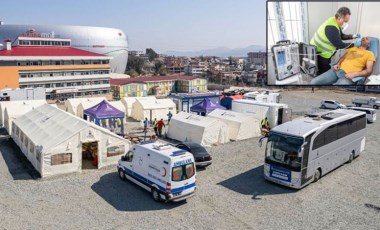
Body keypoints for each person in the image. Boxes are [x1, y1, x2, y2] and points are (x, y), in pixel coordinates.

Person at [310, 7, 361, 75]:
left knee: (324, 70)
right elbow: (340, 45)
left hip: (323, 52)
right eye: (345, 21)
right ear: (339, 18)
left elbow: (341, 36)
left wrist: (353, 36)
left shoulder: (335, 21)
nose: (345, 24)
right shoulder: (331, 27)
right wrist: (354, 44)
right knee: (324, 73)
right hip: (320, 52)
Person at [311, 37, 375, 85]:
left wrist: (355, 74)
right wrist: (338, 64)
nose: (364, 38)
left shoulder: (369, 54)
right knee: (313, 82)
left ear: (368, 45)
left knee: (335, 93)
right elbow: (343, 58)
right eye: (363, 38)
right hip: (336, 71)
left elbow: (369, 71)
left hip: (348, 76)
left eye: (367, 39)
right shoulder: (352, 48)